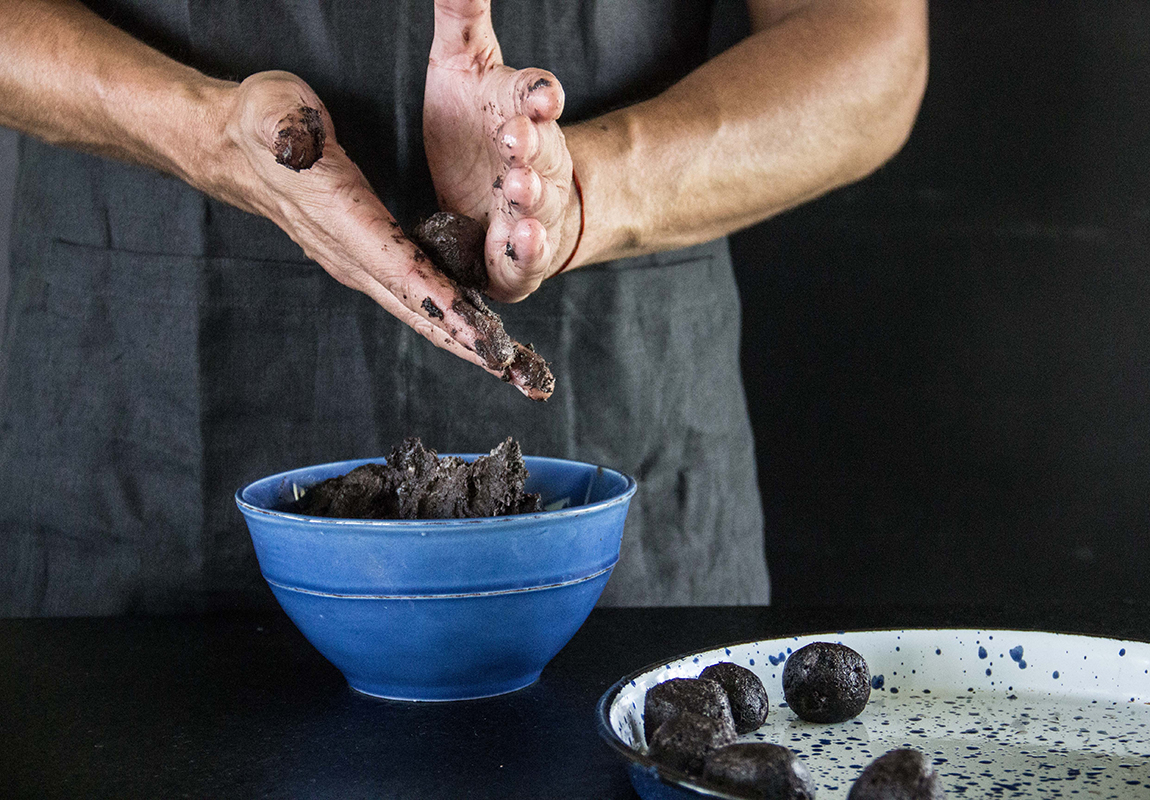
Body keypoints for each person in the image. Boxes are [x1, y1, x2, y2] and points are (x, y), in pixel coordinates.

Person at [0, 0, 927, 615]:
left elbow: (870, 51)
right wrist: (203, 132)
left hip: (616, 464)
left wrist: (582, 196)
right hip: (140, 437)